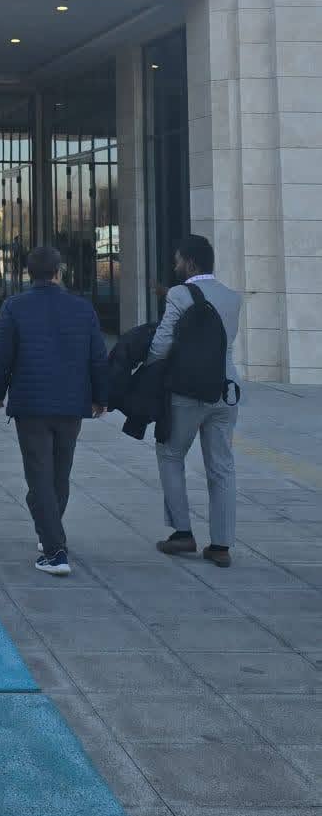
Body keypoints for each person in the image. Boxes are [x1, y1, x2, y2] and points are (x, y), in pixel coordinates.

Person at [0, 243, 108, 576]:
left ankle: (55, 551)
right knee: (59, 474)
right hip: (71, 404)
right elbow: (98, 357)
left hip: (32, 405)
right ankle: (50, 533)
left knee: (39, 476)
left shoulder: (14, 307)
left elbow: (3, 357)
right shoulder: (82, 309)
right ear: (58, 272)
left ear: (29, 273)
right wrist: (101, 396)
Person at [149, 234, 242, 568]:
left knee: (170, 453)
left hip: (188, 391)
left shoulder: (178, 294)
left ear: (189, 262)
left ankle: (182, 533)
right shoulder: (232, 297)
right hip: (226, 390)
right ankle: (221, 545)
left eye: (177, 260)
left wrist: (146, 366)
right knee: (222, 466)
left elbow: (161, 345)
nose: (175, 266)